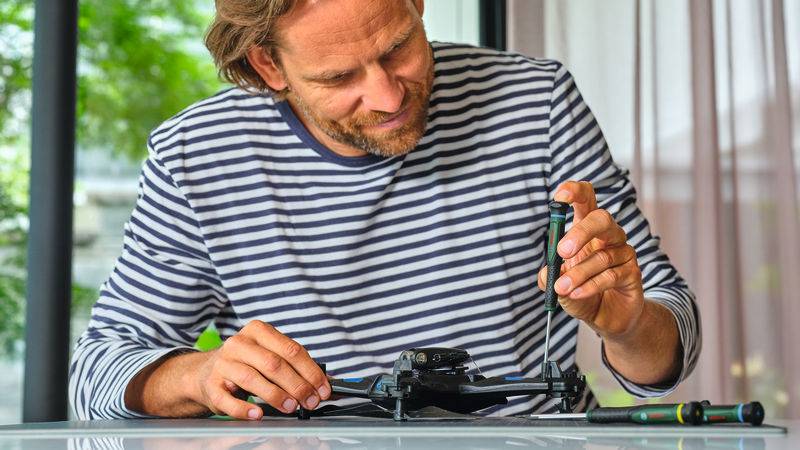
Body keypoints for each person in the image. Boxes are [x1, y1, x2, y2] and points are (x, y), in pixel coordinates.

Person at [69, 0, 700, 420]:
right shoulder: (198, 154)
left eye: (399, 48)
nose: (388, 94)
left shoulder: (536, 103)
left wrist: (627, 325)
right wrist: (199, 374)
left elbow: (667, 348)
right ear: (268, 65)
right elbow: (96, 373)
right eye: (340, 77)